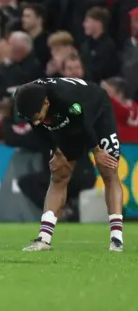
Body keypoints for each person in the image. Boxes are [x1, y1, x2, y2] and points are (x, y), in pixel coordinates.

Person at [14, 75, 124, 252]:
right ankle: (44, 239)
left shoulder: (66, 97)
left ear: (46, 103)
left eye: (36, 116)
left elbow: (85, 123)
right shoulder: (28, 100)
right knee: (59, 175)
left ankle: (116, 239)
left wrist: (97, 151)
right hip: (65, 120)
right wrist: (56, 151)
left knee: (108, 170)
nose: (35, 121)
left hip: (95, 112)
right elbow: (37, 129)